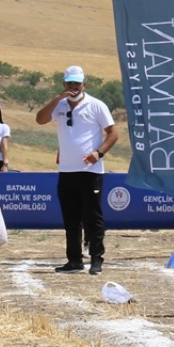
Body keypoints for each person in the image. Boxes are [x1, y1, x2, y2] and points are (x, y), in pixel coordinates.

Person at [35, 66, 119, 276]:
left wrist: (98, 153)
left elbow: (113, 134)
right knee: (70, 218)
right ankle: (74, 260)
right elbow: (40, 119)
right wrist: (57, 99)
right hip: (67, 170)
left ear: (84, 84)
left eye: (77, 83)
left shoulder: (97, 105)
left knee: (92, 217)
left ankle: (97, 259)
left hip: (90, 171)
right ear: (64, 84)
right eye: (69, 83)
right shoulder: (60, 105)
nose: (73, 87)